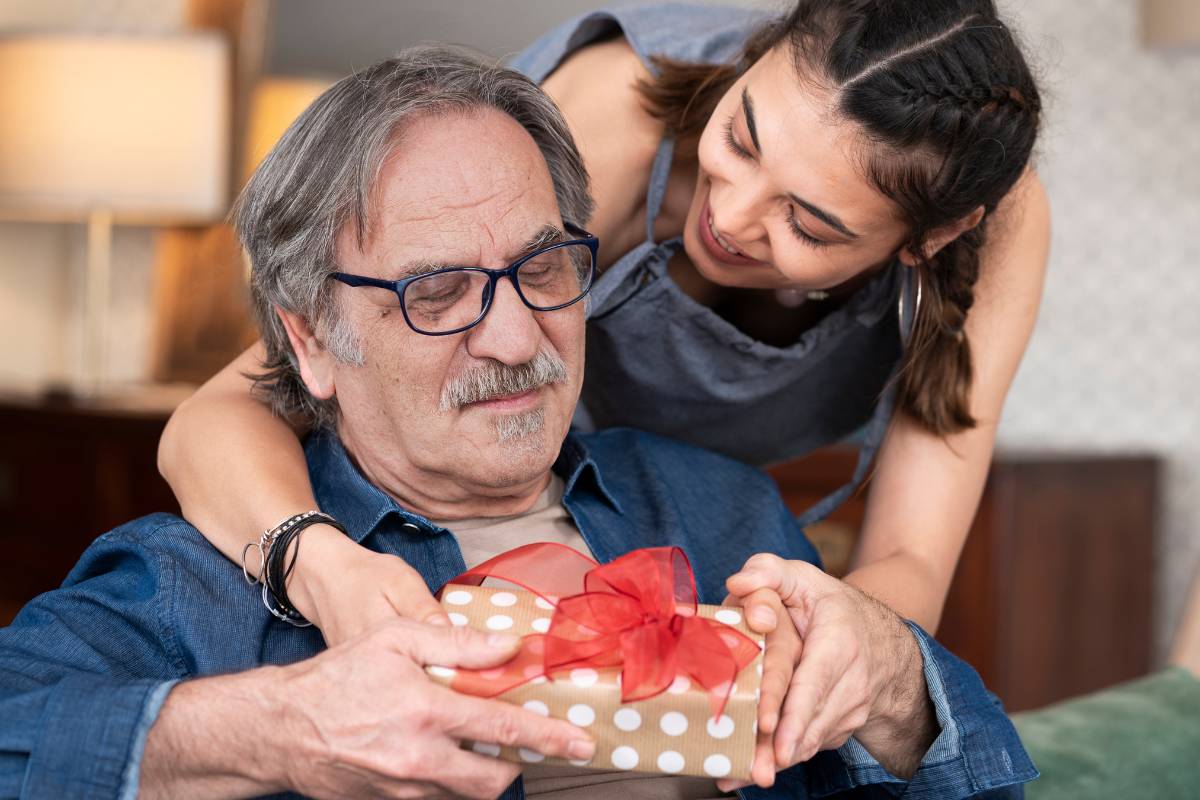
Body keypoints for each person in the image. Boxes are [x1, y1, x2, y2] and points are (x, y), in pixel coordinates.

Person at [0, 48, 1033, 800]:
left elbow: (980, 771)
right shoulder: (194, 576)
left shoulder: (720, 509)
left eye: (543, 268)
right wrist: (276, 727)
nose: (513, 335)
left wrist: (894, 682)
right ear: (309, 337)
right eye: (439, 290)